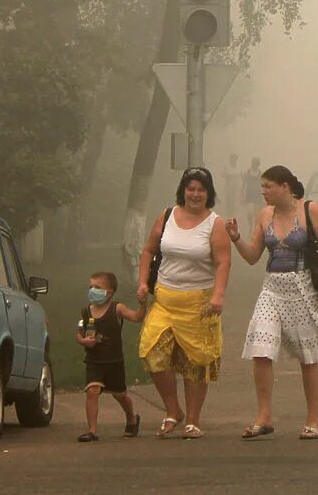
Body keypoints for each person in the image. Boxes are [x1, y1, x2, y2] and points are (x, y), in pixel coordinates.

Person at [226, 164, 318, 441]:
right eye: (262, 187)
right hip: (272, 287)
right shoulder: (264, 215)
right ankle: (264, 416)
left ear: (285, 187)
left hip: (302, 287)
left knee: (308, 355)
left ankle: (312, 420)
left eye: (269, 187)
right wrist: (236, 239)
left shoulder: (309, 210)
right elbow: (253, 255)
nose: (264, 193)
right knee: (261, 348)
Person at [136, 167, 231, 439]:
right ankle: (172, 410)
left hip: (199, 303)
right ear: (183, 191)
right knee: (152, 352)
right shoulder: (167, 216)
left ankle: (192, 420)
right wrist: (143, 282)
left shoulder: (215, 224)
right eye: (191, 188)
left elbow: (223, 262)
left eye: (201, 189)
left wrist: (218, 295)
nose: (195, 194)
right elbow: (149, 250)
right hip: (165, 300)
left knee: (196, 362)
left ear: (208, 193)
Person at [76, 271, 147, 442]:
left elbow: (136, 317)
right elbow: (79, 332)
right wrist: (84, 341)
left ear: (109, 292)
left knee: (120, 394)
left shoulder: (117, 308)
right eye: (90, 287)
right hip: (94, 361)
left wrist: (143, 305)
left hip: (113, 361)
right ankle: (92, 430)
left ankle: (132, 418)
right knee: (92, 391)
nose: (92, 290)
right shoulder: (85, 313)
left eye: (97, 287)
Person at [242, 156, 262, 233]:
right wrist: (241, 194)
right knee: (250, 213)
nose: (255, 165)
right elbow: (243, 184)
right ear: (252, 163)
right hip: (249, 194)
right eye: (254, 163)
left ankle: (255, 229)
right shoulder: (247, 173)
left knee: (256, 214)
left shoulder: (260, 173)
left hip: (257, 195)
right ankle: (250, 228)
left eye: (257, 163)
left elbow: (263, 185)